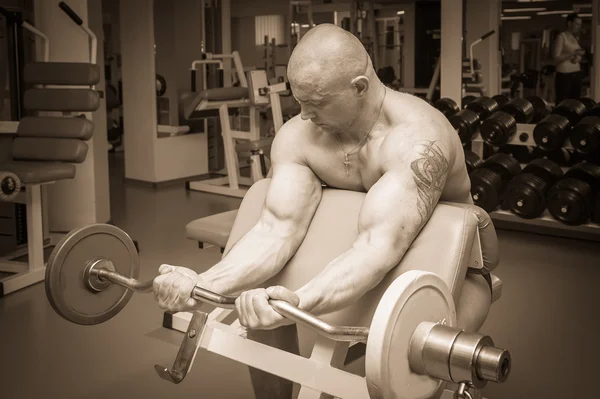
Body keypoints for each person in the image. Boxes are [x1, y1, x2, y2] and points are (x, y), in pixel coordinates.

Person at [153, 24, 489, 398]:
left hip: (445, 272)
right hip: (346, 255)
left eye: (317, 102)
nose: (305, 115)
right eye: (300, 102)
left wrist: (299, 302)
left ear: (360, 87)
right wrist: (201, 285)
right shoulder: (301, 136)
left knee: (413, 376)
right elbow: (276, 229)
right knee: (261, 301)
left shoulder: (417, 140)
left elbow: (377, 246)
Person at [553, 13, 586, 104]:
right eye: (577, 24)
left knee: (575, 102)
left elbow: (576, 54)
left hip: (576, 73)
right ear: (569, 23)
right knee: (563, 102)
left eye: (580, 25)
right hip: (564, 75)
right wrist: (572, 54)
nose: (578, 27)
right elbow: (556, 58)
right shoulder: (561, 37)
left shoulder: (575, 38)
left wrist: (578, 56)